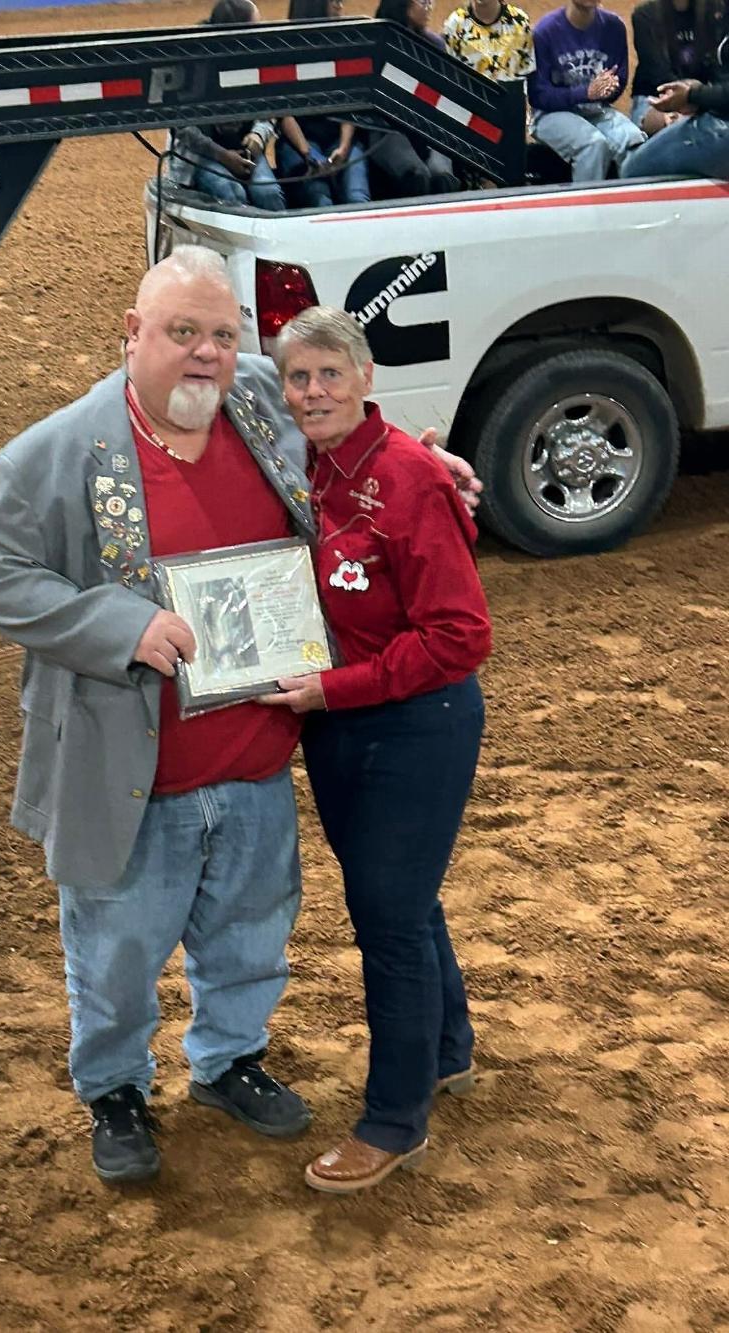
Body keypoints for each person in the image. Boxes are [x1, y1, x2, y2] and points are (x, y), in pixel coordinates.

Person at [0, 246, 482, 1187]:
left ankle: (229, 1060)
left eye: (222, 333)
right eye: (182, 332)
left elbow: (344, 414)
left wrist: (423, 463)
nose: (205, 352)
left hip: (255, 754)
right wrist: (120, 625)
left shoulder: (253, 397)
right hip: (131, 768)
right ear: (133, 333)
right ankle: (116, 1091)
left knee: (249, 936)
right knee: (116, 953)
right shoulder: (55, 451)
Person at [262, 306, 491, 1194]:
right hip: (340, 721)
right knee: (401, 900)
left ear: (365, 376)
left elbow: (460, 635)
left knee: (387, 917)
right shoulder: (306, 466)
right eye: (298, 377)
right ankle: (446, 1048)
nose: (313, 391)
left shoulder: (407, 477)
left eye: (330, 373)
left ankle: (394, 1120)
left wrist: (335, 689)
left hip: (415, 722)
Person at [168, 0, 285, 211]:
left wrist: (258, 136)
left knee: (268, 193)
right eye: (256, 27)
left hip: (246, 152)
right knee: (232, 192)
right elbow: (183, 130)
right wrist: (222, 155)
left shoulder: (259, 59)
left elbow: (269, 110)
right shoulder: (194, 65)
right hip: (201, 157)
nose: (262, 33)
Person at [528, 0, 646, 181]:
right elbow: (538, 96)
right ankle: (586, 200)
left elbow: (619, 80)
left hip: (596, 110)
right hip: (549, 115)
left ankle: (632, 198)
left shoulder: (613, 27)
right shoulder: (545, 31)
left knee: (632, 140)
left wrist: (609, 88)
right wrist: (585, 93)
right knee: (593, 145)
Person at [276, 0, 372, 206]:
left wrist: (344, 149)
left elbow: (351, 102)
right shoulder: (284, 49)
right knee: (321, 200)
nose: (340, 5)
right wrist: (309, 154)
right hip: (300, 141)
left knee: (358, 198)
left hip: (340, 138)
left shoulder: (346, 43)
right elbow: (283, 113)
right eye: (334, 1)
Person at [621, 4, 729, 175]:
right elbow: (658, 73)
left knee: (631, 171)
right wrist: (693, 97)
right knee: (634, 163)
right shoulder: (646, 15)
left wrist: (693, 95)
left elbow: (714, 76)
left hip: (707, 106)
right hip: (657, 97)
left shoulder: (713, 11)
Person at [372, 0, 461, 195]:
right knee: (417, 176)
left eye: (431, 2)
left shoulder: (435, 45)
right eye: (423, 2)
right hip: (386, 129)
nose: (429, 7)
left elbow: (447, 94)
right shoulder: (377, 42)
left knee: (442, 175)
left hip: (431, 130)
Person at [443, 0, 537, 83]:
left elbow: (529, 73)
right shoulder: (455, 24)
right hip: (470, 94)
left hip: (511, 93)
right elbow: (450, 74)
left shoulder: (519, 21)